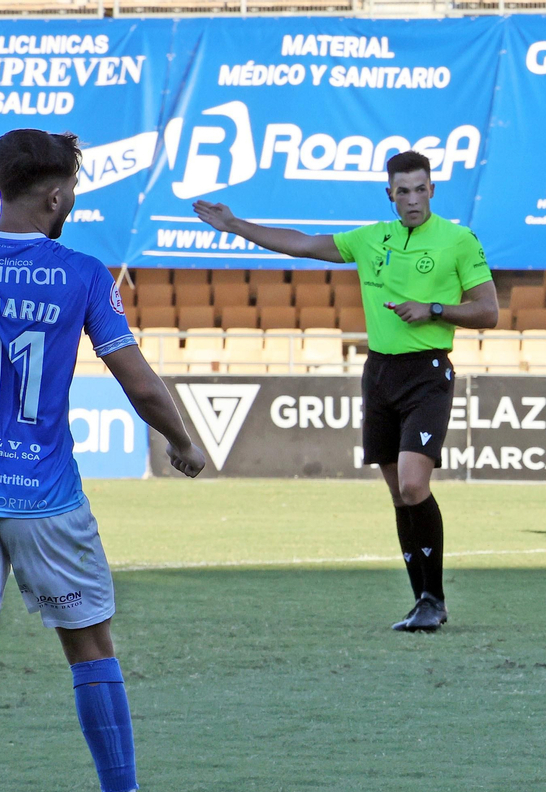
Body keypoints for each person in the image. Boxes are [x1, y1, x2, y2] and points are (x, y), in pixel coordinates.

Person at [0, 129, 208, 792]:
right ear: (57, 193)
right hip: (45, 497)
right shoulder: (83, 273)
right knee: (91, 649)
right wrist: (183, 442)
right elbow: (135, 378)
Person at [193, 151, 500, 633]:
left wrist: (434, 308)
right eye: (403, 191)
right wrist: (236, 226)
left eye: (421, 189)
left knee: (414, 485)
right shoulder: (371, 238)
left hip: (427, 373)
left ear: (433, 191)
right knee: (400, 497)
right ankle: (421, 601)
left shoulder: (458, 240)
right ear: (390, 195)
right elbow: (301, 244)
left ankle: (434, 597)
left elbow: (488, 311)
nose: (413, 199)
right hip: (379, 375)